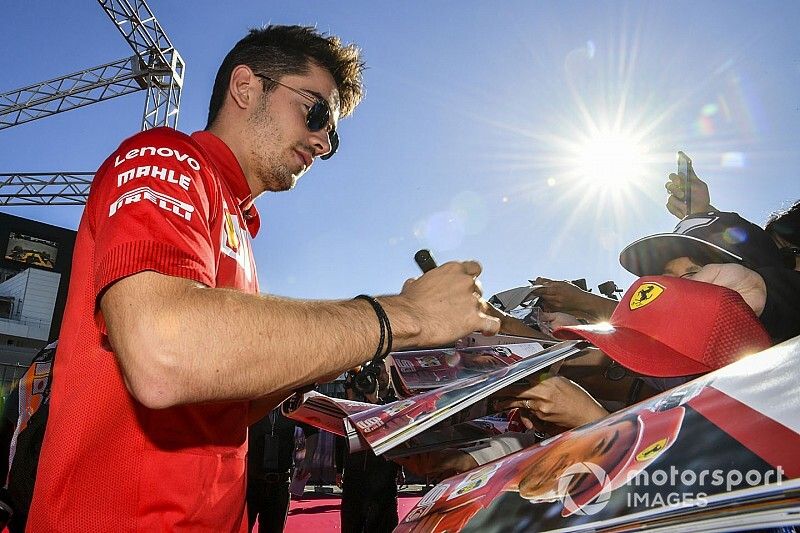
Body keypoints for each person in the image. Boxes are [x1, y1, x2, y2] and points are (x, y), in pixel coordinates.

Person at [28, 25, 500, 532]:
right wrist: (402, 316)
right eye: (315, 111)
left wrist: (337, 357)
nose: (322, 141)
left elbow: (227, 401)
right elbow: (164, 353)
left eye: (333, 135)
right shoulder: (162, 157)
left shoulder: (238, 225)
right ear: (246, 87)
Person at [336, 362, 401, 533]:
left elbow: (395, 433)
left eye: (382, 373)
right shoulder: (356, 401)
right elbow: (341, 435)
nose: (380, 378)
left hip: (384, 481)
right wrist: (350, 400)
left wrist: (376, 402)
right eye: (375, 374)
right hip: (354, 480)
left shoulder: (396, 401)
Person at [247, 409, 318, 533]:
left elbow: (312, 430)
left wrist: (308, 460)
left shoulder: (290, 405)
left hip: (280, 483)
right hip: (250, 482)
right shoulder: (255, 402)